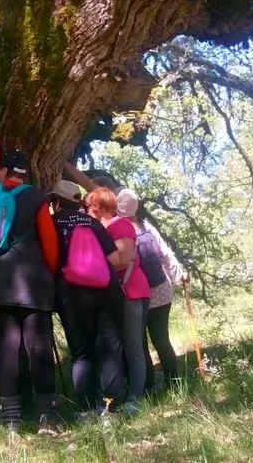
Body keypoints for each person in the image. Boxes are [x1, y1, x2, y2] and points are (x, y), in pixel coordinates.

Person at [0, 122, 62, 436]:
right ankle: (48, 417)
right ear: (24, 173)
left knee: (6, 349)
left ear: (2, 171)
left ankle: (11, 420)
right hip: (34, 283)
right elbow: (50, 241)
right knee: (38, 346)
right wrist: (50, 274)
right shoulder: (35, 196)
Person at [48, 179, 127, 417]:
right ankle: (113, 406)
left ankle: (86, 408)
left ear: (55, 202)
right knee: (110, 345)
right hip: (106, 290)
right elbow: (114, 260)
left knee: (81, 351)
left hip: (72, 294)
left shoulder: (52, 223)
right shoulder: (93, 223)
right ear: (78, 201)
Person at [83, 187, 151, 414]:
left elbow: (122, 260)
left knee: (133, 346)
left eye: (89, 208)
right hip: (114, 294)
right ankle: (117, 396)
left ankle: (136, 398)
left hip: (130, 291)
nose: (85, 212)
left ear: (99, 209)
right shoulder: (98, 229)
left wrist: (92, 259)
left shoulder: (120, 225)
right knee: (114, 346)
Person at [116, 188, 186, 393]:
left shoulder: (120, 229)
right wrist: (178, 275)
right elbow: (165, 253)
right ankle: (174, 383)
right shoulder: (146, 226)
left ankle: (147, 386)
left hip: (139, 293)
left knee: (139, 342)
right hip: (162, 289)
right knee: (162, 339)